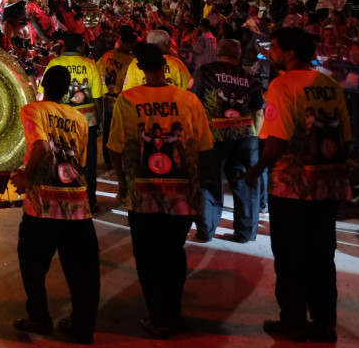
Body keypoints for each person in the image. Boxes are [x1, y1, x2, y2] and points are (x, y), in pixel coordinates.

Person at [244, 28, 351, 343]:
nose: (271, 52)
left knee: (291, 255)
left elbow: (277, 138)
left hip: (292, 187)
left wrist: (257, 170)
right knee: (321, 254)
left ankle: (293, 322)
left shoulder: (282, 84)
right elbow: (346, 136)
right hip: (327, 182)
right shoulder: (329, 84)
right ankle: (324, 323)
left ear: (289, 53)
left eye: (275, 48)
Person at [108, 43, 213, 338]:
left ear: (140, 68)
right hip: (182, 195)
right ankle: (173, 314)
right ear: (165, 69)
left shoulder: (127, 100)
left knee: (147, 255)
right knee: (174, 253)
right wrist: (195, 183)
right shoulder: (189, 100)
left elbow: (115, 148)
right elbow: (205, 148)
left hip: (142, 194)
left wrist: (121, 181)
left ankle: (158, 317)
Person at [11, 65, 99, 344]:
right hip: (77, 204)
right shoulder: (79, 118)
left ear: (42, 86)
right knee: (81, 269)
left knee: (33, 261)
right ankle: (83, 327)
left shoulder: (34, 110)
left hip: (43, 204)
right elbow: (80, 162)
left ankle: (39, 317)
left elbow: (42, 146)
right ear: (68, 91)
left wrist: (25, 175)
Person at [190, 38, 264, 243]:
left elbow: (193, 103)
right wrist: (254, 138)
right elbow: (259, 112)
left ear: (217, 53)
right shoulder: (250, 78)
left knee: (208, 181)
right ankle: (245, 233)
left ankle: (206, 230)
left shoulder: (205, 72)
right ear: (238, 55)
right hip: (244, 138)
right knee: (245, 184)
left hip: (211, 137)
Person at [42, 33, 105, 211]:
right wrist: (100, 121)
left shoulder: (54, 63)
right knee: (88, 161)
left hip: (60, 122)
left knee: (62, 159)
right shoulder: (89, 64)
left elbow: (44, 93)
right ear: (79, 47)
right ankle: (90, 200)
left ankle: (65, 199)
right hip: (87, 121)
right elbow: (98, 96)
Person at [97, 27, 136, 163]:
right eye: (131, 45)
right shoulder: (129, 61)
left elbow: (97, 70)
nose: (131, 47)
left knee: (108, 128)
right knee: (119, 130)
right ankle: (116, 159)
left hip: (105, 97)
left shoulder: (107, 55)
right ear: (126, 43)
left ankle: (108, 159)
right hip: (119, 99)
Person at [122, 29, 192, 90]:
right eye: (169, 43)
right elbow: (188, 88)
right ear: (164, 44)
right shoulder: (176, 63)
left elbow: (128, 89)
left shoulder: (135, 62)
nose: (170, 45)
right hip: (171, 102)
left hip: (141, 103)